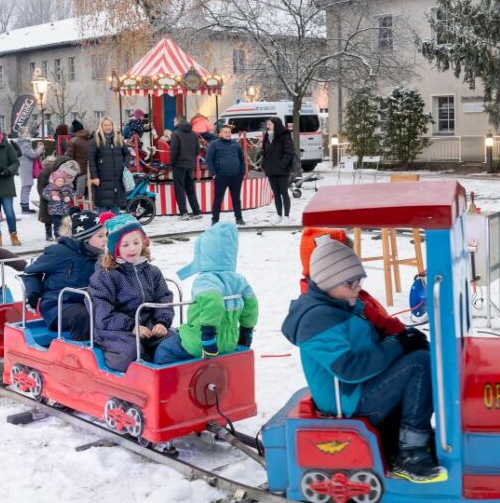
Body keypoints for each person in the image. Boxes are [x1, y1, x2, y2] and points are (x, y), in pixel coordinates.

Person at [280, 236, 444, 483]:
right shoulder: (317, 320)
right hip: (349, 400)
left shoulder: (339, 304)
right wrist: (396, 345)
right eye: (351, 282)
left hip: (357, 389)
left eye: (360, 279)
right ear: (328, 281)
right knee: (419, 364)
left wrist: (402, 338)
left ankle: (414, 436)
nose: (358, 287)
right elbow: (350, 369)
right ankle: (410, 453)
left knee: (419, 357)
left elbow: (369, 341)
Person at [153, 222, 258, 364]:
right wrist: (246, 332)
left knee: (164, 350)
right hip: (229, 341)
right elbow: (251, 305)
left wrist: (208, 337)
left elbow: (213, 302)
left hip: (202, 340)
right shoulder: (239, 279)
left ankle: (171, 380)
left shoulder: (205, 280)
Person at [89, 214, 173, 371]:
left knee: (172, 342)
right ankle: (136, 378)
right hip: (114, 330)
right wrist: (131, 326)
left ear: (143, 242)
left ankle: (164, 372)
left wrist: (161, 322)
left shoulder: (152, 272)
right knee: (131, 351)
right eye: (125, 245)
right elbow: (101, 310)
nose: (133, 248)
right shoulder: (106, 275)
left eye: (136, 242)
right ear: (115, 248)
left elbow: (163, 298)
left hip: (148, 326)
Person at [22, 210, 106, 340]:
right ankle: (82, 351)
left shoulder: (102, 257)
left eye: (106, 235)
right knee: (83, 315)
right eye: (100, 236)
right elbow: (31, 272)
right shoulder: (60, 252)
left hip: (88, 303)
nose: (105, 240)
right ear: (86, 237)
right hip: (57, 306)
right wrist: (32, 293)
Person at [89, 117, 131, 215]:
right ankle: (103, 228)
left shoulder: (118, 138)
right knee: (102, 208)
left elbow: (127, 154)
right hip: (102, 178)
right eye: (105, 125)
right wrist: (94, 177)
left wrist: (124, 164)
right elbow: (91, 160)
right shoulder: (96, 140)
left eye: (109, 125)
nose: (108, 127)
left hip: (118, 178)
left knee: (116, 207)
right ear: (101, 126)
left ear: (112, 126)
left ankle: (115, 228)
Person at [207, 123, 246, 225]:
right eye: (225, 132)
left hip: (236, 176)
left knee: (236, 199)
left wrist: (242, 172)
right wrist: (214, 174)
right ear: (219, 134)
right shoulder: (214, 144)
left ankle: (239, 218)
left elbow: (242, 158)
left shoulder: (235, 144)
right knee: (218, 199)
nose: (228, 134)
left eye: (229, 132)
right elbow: (209, 160)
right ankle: (215, 220)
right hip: (221, 177)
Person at [260, 117, 296, 223]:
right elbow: (264, 152)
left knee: (284, 192)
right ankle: (279, 215)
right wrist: (264, 164)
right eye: (267, 124)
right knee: (276, 194)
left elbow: (289, 152)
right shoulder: (267, 136)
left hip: (282, 170)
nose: (268, 126)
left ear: (276, 124)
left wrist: (282, 164)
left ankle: (286, 216)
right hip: (271, 170)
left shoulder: (284, 135)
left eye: (270, 124)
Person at [37, 157, 79, 241]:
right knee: (47, 212)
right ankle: (48, 233)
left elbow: (73, 188)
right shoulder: (47, 171)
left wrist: (69, 195)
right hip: (49, 191)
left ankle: (63, 233)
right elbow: (41, 188)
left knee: (63, 218)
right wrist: (50, 196)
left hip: (63, 201)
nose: (69, 177)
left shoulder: (74, 170)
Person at [169, 115, 203, 219]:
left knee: (179, 189)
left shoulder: (176, 133)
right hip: (190, 164)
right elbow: (198, 149)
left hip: (179, 164)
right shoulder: (193, 134)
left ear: (179, 122)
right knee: (190, 188)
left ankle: (183, 213)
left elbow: (174, 150)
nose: (173, 123)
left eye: (174, 121)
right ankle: (196, 211)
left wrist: (172, 163)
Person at [12, 130, 43, 214]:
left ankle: (24, 205)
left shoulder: (22, 143)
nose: (28, 134)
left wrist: (36, 149)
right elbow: (33, 155)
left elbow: (31, 153)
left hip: (24, 167)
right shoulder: (25, 144)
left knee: (25, 187)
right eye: (26, 133)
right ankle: (25, 207)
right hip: (26, 168)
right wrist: (40, 149)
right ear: (22, 135)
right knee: (27, 187)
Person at [64, 118, 92, 201]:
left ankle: (78, 206)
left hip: (78, 171)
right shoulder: (91, 139)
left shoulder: (73, 141)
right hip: (91, 169)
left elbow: (69, 159)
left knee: (78, 193)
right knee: (89, 191)